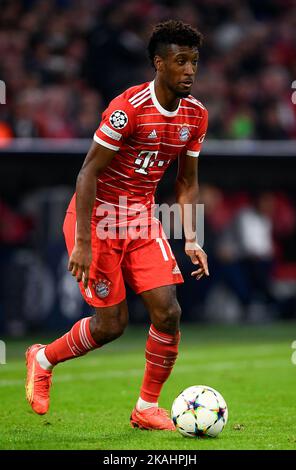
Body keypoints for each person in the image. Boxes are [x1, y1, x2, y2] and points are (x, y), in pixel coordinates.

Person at [25, 20, 209, 431]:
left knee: (168, 312)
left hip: (142, 218)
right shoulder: (127, 109)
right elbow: (87, 174)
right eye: (180, 61)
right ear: (158, 63)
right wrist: (83, 243)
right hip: (98, 218)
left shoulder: (196, 116)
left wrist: (192, 237)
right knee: (111, 325)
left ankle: (146, 408)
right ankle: (42, 358)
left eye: (194, 61)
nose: (190, 71)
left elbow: (186, 181)